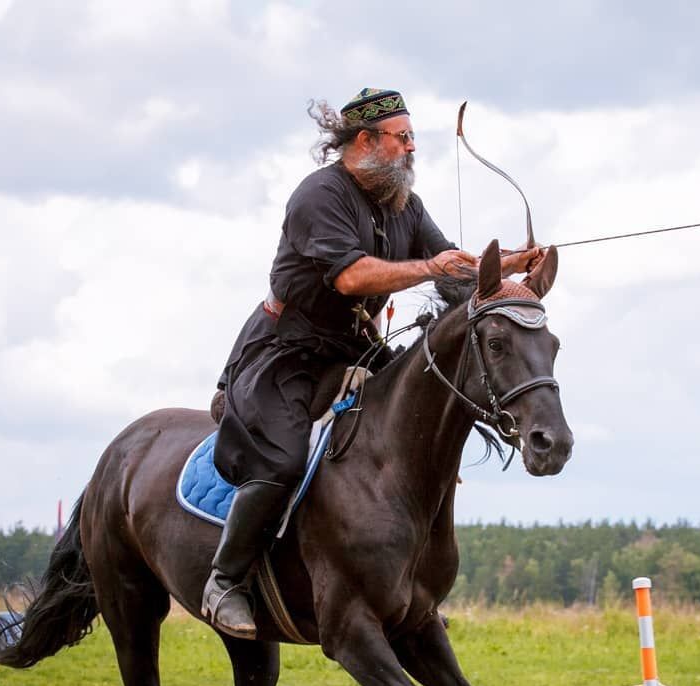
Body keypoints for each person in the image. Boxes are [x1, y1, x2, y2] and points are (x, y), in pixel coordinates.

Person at [203, 88, 542, 639]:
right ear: (366, 141)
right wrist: (430, 267)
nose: (411, 148)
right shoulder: (318, 196)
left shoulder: (404, 202)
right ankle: (225, 581)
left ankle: (406, 587)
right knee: (282, 462)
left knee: (413, 432)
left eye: (412, 139)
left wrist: (511, 267)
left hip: (352, 351)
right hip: (285, 352)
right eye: (402, 138)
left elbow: (455, 269)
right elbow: (351, 277)